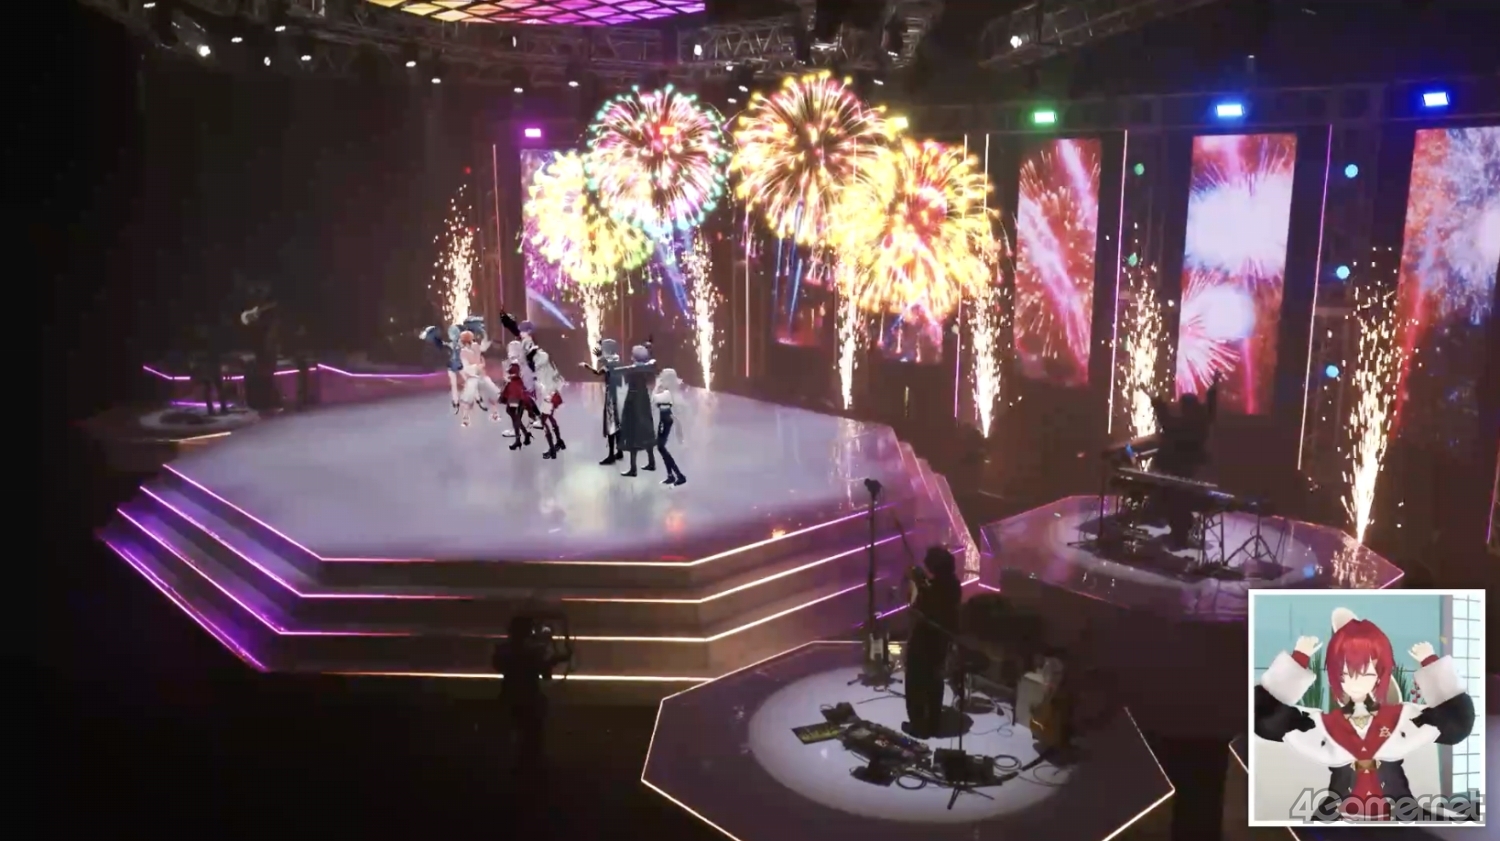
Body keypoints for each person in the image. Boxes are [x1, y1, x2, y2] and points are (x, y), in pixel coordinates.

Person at [1254, 608, 1473, 821]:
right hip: (1338, 818)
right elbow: (1265, 718)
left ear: (1380, 674)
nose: (1356, 682)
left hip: (1398, 815)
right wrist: (1298, 658)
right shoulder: (1323, 724)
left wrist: (1430, 661)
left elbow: (1457, 722)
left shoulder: (1401, 718)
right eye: (1346, 674)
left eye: (1366, 673)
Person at [1147, 371, 1221, 547]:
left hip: (1180, 470)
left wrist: (1156, 400)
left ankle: (1179, 534)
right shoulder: (1201, 423)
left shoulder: (1184, 426)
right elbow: (1210, 409)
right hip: (1189, 470)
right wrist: (1214, 385)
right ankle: (1180, 532)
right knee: (1177, 500)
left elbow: (1166, 421)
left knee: (1175, 500)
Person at [492, 616, 572, 773]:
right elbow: (545, 674)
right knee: (532, 735)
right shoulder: (532, 652)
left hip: (511, 695)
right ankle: (530, 768)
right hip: (530, 697)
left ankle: (518, 767)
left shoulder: (504, 650)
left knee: (516, 733)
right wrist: (554, 658)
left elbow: (500, 665)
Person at [903, 546, 963, 739]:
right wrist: (923, 584)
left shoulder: (932, 590)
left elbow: (921, 611)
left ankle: (919, 726)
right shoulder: (954, 585)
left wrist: (919, 585)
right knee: (935, 683)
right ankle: (934, 723)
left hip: (924, 642)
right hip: (941, 643)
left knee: (916, 683)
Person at [580, 339, 626, 465]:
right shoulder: (613, 360)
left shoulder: (614, 361)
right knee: (616, 424)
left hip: (613, 396)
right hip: (614, 394)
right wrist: (587, 366)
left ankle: (611, 455)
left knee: (612, 425)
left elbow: (609, 366)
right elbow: (598, 372)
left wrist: (600, 358)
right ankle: (619, 451)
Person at [615, 345, 658, 477]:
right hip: (643, 399)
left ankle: (633, 468)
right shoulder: (647, 368)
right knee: (646, 428)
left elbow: (626, 379)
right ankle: (651, 462)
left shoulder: (632, 370)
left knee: (632, 432)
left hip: (633, 400)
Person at [653, 369, 686, 486]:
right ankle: (671, 475)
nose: (661, 380)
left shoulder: (667, 393)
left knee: (661, 447)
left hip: (666, 420)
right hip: (665, 419)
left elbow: (654, 400)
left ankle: (678, 475)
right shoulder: (668, 392)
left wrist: (656, 387)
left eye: (663, 378)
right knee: (661, 447)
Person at [531, 348, 567, 459]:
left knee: (543, 422)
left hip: (550, 397)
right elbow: (559, 380)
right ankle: (559, 442)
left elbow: (553, 383)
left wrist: (548, 392)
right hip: (551, 396)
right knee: (550, 418)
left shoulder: (543, 370)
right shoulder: (548, 367)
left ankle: (552, 449)